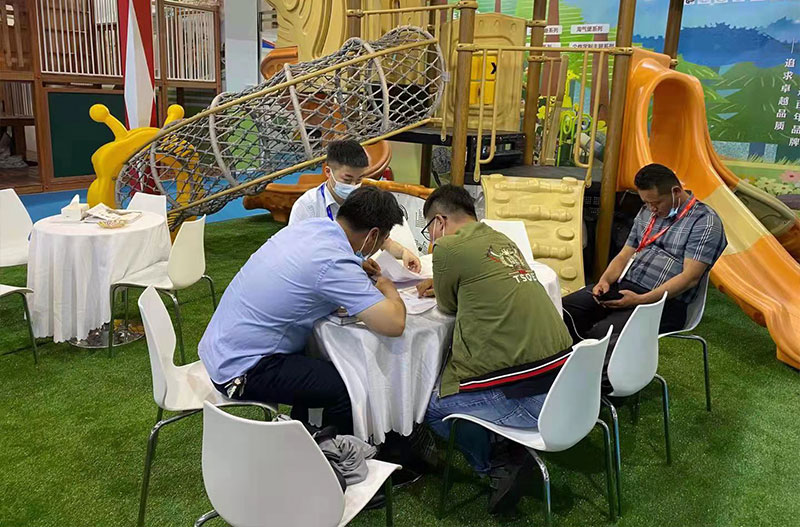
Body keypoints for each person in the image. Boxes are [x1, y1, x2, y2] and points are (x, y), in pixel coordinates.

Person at [415, 185, 574, 513]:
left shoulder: (448, 247)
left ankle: (496, 466)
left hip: (531, 399)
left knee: (430, 407)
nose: (431, 236)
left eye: (429, 228)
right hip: (566, 386)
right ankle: (506, 446)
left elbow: (448, 305)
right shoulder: (501, 239)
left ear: (440, 222)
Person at [199, 186, 407, 435]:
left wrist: (357, 263)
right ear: (372, 235)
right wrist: (389, 289)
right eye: (383, 239)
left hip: (220, 349)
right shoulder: (335, 263)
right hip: (243, 369)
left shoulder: (310, 228)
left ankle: (307, 431)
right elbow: (393, 324)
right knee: (349, 387)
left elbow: (313, 268)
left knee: (321, 369)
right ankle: (335, 452)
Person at [562, 163, 727, 382]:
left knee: (602, 334)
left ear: (676, 192)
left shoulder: (705, 222)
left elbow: (690, 278)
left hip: (664, 304)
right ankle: (562, 371)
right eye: (647, 203)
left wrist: (641, 300)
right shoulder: (648, 211)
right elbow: (624, 254)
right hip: (625, 288)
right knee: (564, 310)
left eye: (656, 203)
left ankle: (593, 385)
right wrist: (605, 281)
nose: (652, 209)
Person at [289, 139, 421, 273]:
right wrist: (351, 263)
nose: (353, 186)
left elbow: (382, 240)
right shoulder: (307, 206)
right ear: (328, 172)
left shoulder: (362, 200)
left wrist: (403, 253)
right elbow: (298, 253)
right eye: (347, 180)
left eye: (359, 180)